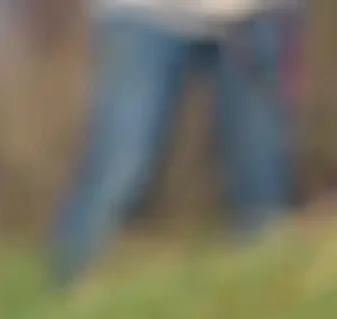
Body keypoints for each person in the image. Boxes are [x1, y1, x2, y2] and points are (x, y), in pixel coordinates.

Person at [51, 0, 302, 285]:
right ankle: (71, 281)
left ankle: (270, 291)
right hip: (143, 12)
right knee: (119, 161)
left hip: (258, 15)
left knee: (262, 172)